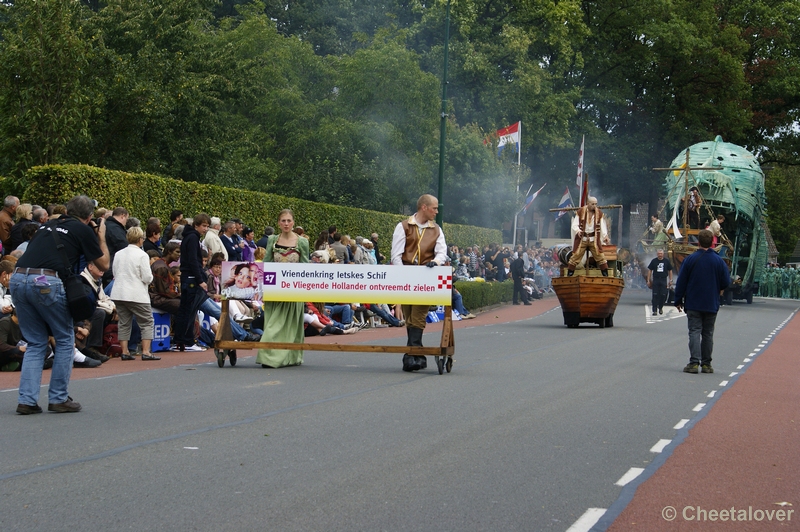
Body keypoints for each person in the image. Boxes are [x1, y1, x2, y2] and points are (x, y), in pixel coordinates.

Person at [12, 195, 110, 414]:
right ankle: (58, 398)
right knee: (65, 339)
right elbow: (103, 263)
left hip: (18, 277)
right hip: (46, 281)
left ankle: (26, 400)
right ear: (89, 216)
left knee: (36, 342)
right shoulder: (83, 229)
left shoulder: (49, 225)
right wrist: (101, 236)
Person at [391, 194, 447, 372]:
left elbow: (442, 251)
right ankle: (414, 355)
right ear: (424, 207)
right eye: (434, 208)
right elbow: (396, 254)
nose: (437, 212)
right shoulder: (403, 226)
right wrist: (404, 274)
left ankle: (412, 356)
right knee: (409, 316)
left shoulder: (436, 229)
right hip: (407, 276)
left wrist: (436, 263)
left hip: (426, 276)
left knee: (418, 316)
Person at [257, 209, 309, 368]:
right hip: (275, 289)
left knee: (289, 326)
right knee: (273, 324)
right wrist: (262, 288)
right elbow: (266, 264)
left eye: (289, 221)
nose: (286, 224)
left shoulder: (302, 242)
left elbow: (305, 265)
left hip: (293, 290)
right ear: (279, 223)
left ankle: (288, 357)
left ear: (293, 222)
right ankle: (269, 356)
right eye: (283, 221)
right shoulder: (272, 240)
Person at [674, 229, 731, 374]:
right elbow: (726, 282)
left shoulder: (689, 260)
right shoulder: (718, 261)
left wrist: (678, 300)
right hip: (711, 302)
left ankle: (693, 363)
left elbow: (681, 281)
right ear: (712, 242)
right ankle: (706, 364)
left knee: (694, 331)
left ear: (698, 242)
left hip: (693, 302)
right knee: (708, 333)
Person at [111, 226, 158, 360]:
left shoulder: (119, 253)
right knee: (147, 321)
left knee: (124, 322)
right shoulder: (142, 255)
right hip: (136, 294)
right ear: (140, 239)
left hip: (119, 292)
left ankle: (124, 352)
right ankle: (146, 351)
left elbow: (115, 273)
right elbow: (147, 277)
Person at [174, 214, 212, 352]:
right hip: (191, 279)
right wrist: (200, 280)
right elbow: (193, 261)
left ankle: (182, 340)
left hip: (188, 277)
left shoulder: (189, 237)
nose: (205, 229)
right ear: (196, 225)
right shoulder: (193, 238)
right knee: (189, 311)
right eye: (203, 226)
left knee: (186, 310)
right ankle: (187, 340)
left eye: (207, 226)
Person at [567, 196, 610, 277]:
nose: (594, 206)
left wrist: (605, 236)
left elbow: (602, 225)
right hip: (582, 239)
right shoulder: (581, 212)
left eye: (596, 204)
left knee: (600, 256)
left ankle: (605, 272)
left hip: (593, 239)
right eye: (593, 204)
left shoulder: (599, 213)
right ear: (588, 203)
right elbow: (575, 224)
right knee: (576, 256)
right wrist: (578, 230)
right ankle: (570, 272)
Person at [647, 249, 673, 315]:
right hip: (656, 279)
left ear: (663, 254)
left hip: (663, 279)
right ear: (657, 254)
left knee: (663, 294)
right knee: (655, 295)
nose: (660, 255)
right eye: (659, 253)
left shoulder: (666, 261)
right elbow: (650, 270)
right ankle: (654, 310)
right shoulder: (654, 261)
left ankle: (660, 307)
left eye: (661, 254)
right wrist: (648, 280)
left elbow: (670, 270)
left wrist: (670, 280)